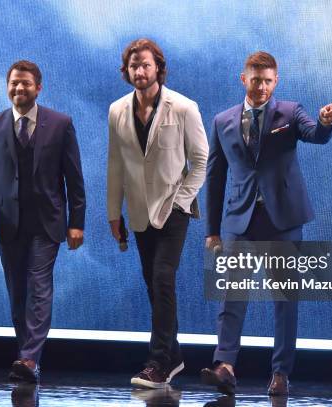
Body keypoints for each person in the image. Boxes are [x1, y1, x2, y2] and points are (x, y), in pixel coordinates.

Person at [201, 51, 332, 395]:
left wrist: (325, 122)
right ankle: (225, 366)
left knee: (284, 300)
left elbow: (315, 135)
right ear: (243, 79)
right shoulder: (222, 121)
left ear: (276, 82)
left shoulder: (290, 113)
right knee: (231, 296)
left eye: (267, 81)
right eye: (255, 79)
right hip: (239, 220)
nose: (261, 86)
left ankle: (280, 373)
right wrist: (213, 231)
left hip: (283, 221)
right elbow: (215, 177)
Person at [0, 60, 86, 383]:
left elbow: (74, 179)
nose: (19, 88)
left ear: (39, 87)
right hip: (8, 224)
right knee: (17, 293)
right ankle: (28, 356)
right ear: (7, 87)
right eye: (13, 83)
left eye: (25, 83)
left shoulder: (61, 124)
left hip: (47, 224)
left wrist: (77, 222)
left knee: (39, 287)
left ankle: (28, 357)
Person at [107, 38, 209, 388]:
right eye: (134, 65)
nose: (139, 70)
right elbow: (115, 165)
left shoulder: (183, 107)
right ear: (127, 70)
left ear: (158, 68)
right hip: (137, 211)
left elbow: (200, 161)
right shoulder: (117, 109)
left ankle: (158, 362)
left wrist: (181, 200)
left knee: (163, 277)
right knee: (153, 284)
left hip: (174, 209)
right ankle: (175, 355)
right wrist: (113, 213)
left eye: (145, 64)